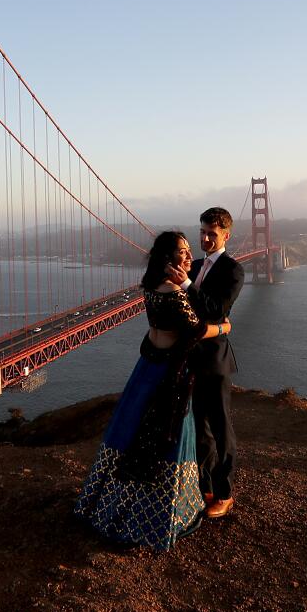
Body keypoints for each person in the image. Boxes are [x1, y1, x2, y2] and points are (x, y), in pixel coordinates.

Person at [75, 231, 234, 550]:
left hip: (147, 369)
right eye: (182, 252)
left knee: (133, 434)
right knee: (167, 437)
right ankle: (160, 514)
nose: (189, 257)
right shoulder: (174, 290)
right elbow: (197, 329)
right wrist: (225, 327)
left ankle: (114, 504)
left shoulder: (151, 286)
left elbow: (158, 329)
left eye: (190, 250)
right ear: (167, 258)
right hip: (170, 375)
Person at [171, 207, 244, 518]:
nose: (204, 238)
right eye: (202, 232)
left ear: (226, 235)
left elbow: (215, 310)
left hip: (214, 361)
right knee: (200, 428)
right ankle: (206, 488)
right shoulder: (195, 264)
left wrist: (187, 285)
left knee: (221, 428)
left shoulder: (233, 271)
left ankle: (225, 494)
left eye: (211, 234)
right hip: (190, 359)